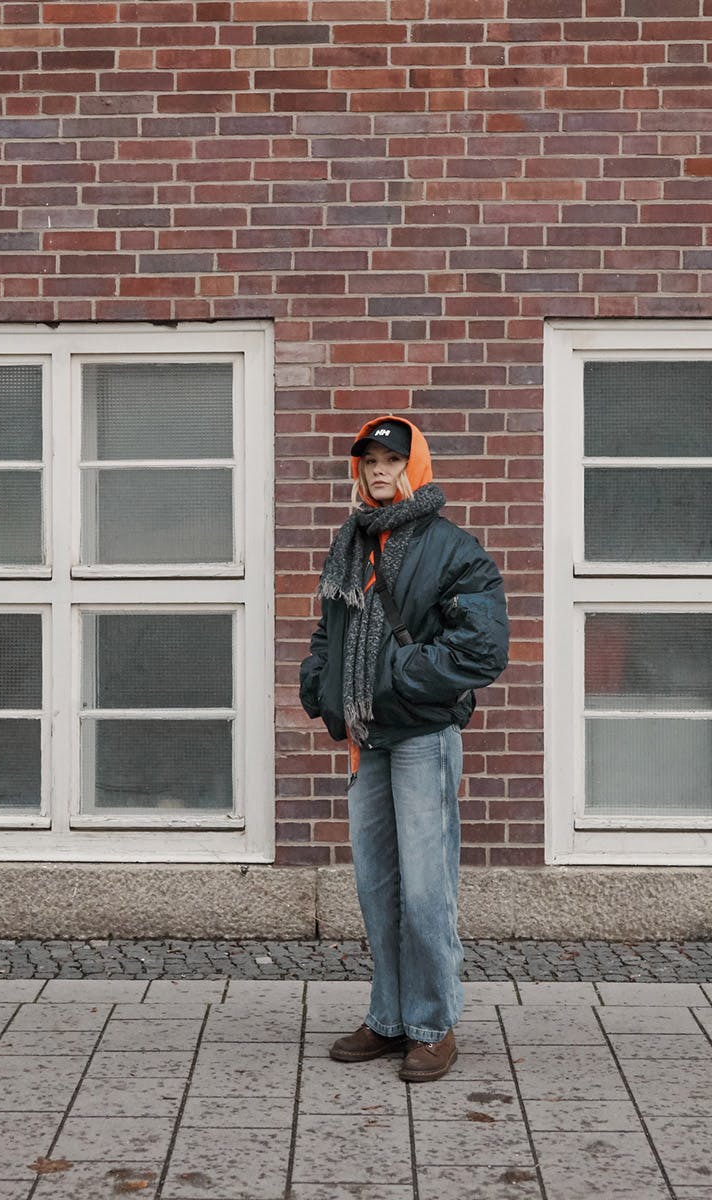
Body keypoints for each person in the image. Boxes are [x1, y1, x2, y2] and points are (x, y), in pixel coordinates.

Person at [299, 415, 509, 1082]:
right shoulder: (351, 543)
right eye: (369, 462)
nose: (378, 471)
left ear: (413, 466)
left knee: (424, 892)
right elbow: (330, 631)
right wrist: (320, 683)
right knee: (377, 888)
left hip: (421, 736)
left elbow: (482, 647)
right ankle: (389, 1018)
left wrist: (396, 677)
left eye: (391, 460)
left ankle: (433, 1025)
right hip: (369, 741)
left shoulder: (452, 549)